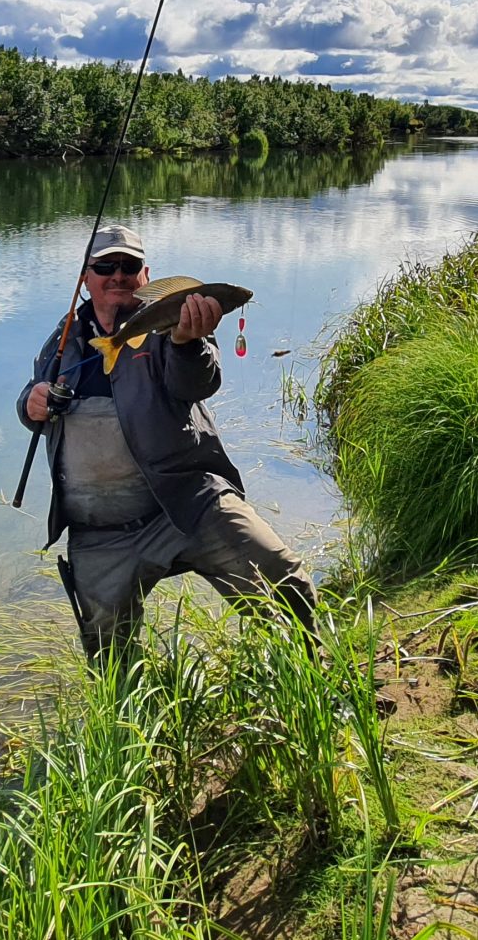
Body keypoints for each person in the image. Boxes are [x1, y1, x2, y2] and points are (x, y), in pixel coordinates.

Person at [17, 224, 316, 663]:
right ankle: (133, 722)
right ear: (85, 277)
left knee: (281, 576)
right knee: (108, 659)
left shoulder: (170, 322)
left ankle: (317, 675)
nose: (117, 274)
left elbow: (198, 382)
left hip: (187, 504)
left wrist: (187, 342)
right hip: (101, 534)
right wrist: (31, 404)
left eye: (129, 265)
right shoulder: (61, 343)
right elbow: (32, 404)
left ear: (146, 274)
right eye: (105, 266)